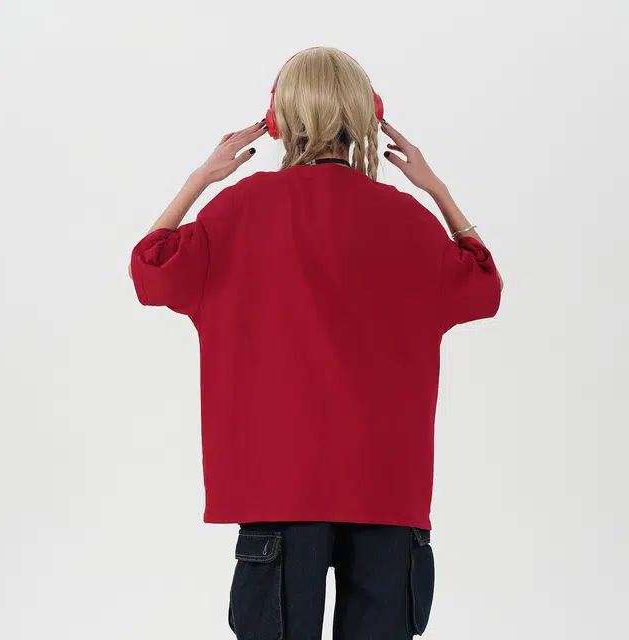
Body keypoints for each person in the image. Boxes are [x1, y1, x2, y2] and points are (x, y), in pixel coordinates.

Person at [128, 46, 503, 639]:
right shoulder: (409, 219)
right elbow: (483, 286)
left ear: (277, 120)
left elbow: (150, 270)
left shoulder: (236, 212)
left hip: (277, 487)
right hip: (386, 488)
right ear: (369, 117)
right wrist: (437, 189)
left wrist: (201, 177)